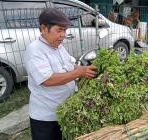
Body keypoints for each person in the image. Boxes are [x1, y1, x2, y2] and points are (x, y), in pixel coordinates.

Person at [23, 8, 97, 140]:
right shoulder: (35, 50)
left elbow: (69, 66)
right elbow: (48, 80)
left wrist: (85, 70)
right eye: (59, 30)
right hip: (46, 117)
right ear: (44, 28)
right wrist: (78, 72)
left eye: (65, 30)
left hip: (63, 112)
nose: (63, 35)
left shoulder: (58, 46)